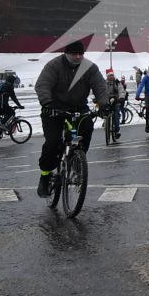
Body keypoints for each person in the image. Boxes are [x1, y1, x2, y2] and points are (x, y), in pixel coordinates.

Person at [34, 41, 112, 196]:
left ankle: (77, 162)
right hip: (54, 107)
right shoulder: (54, 66)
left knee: (87, 128)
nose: (77, 57)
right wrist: (48, 103)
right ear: (66, 54)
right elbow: (42, 85)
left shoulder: (90, 68)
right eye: (74, 54)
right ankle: (45, 177)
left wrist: (104, 104)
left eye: (80, 54)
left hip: (78, 107)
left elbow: (100, 87)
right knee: (53, 142)